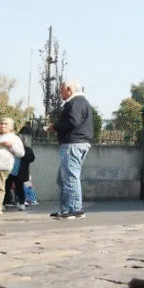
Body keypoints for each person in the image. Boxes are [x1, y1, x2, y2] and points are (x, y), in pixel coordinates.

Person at [48, 79, 93, 219]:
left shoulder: (76, 102)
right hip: (78, 142)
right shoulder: (80, 102)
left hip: (73, 143)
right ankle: (65, 210)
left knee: (70, 177)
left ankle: (76, 209)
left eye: (61, 89)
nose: (60, 92)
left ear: (69, 89)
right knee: (63, 178)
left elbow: (72, 121)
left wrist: (54, 127)